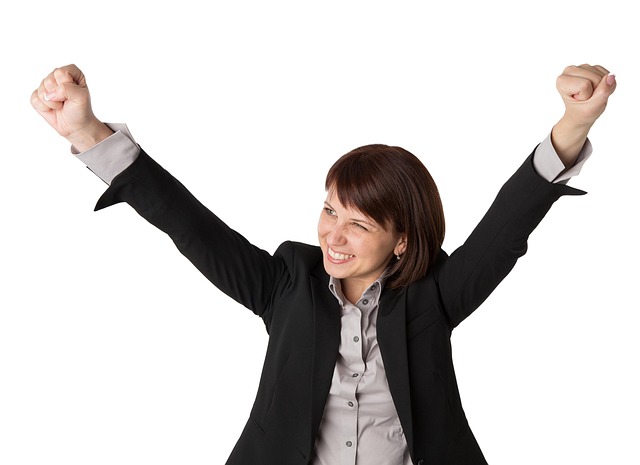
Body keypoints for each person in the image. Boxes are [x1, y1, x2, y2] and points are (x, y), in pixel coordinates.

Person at [31, 63, 616, 465]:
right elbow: (189, 225)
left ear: (403, 240)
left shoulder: (435, 294)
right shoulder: (285, 283)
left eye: (359, 224)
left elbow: (506, 227)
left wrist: (574, 124)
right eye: (330, 210)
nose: (333, 235)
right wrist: (88, 132)